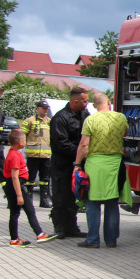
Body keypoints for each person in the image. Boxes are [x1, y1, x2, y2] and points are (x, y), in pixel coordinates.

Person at [74, 92, 131, 248]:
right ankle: (111, 240)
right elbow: (125, 133)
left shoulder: (90, 119)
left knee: (93, 203)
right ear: (109, 102)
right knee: (112, 203)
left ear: (94, 105)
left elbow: (84, 144)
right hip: (115, 164)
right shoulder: (120, 117)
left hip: (95, 165)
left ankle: (92, 240)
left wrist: (77, 164)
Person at [4, 129, 56, 247]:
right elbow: (14, 177)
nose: (25, 141)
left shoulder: (12, 152)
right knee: (30, 210)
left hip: (13, 186)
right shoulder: (15, 156)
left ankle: (14, 239)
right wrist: (19, 195)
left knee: (15, 213)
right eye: (24, 140)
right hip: (17, 186)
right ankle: (39, 233)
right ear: (19, 142)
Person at [50, 86, 89, 238]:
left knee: (74, 197)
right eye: (84, 101)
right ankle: (59, 228)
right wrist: (80, 151)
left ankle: (71, 227)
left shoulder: (85, 114)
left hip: (78, 164)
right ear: (75, 101)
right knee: (60, 197)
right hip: (62, 165)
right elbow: (61, 144)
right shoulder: (60, 118)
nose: (87, 104)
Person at [21, 100, 53, 208]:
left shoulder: (49, 122)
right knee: (30, 178)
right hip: (33, 155)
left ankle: (43, 200)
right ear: (37, 108)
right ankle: (28, 199)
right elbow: (22, 136)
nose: (45, 110)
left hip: (46, 156)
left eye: (46, 108)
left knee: (45, 179)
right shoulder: (29, 121)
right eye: (43, 108)